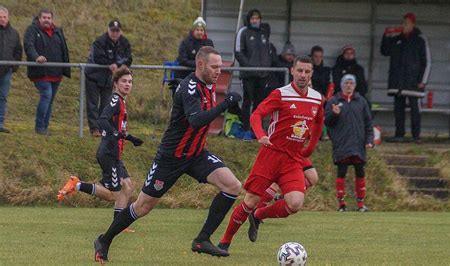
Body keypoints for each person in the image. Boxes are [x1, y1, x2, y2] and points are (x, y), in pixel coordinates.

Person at [93, 47, 242, 262]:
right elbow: (197, 120)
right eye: (215, 66)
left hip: (196, 154)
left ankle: (202, 239)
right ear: (201, 65)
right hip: (171, 158)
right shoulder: (191, 88)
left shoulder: (205, 85)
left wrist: (233, 107)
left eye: (221, 67)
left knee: (233, 186)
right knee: (143, 206)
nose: (219, 71)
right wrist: (226, 103)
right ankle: (104, 240)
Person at [218, 56, 324, 252]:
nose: (303, 75)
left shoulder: (317, 98)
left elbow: (318, 123)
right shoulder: (280, 94)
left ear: (311, 74)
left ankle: (258, 216)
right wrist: (260, 134)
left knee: (295, 203)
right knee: (250, 201)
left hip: (292, 158)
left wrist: (308, 150)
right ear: (292, 71)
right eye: (299, 70)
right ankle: (225, 242)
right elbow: (256, 114)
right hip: (271, 155)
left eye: (307, 72)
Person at [57, 66, 143, 230]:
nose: (127, 84)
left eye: (130, 82)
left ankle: (118, 225)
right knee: (113, 195)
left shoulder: (121, 101)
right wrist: (116, 134)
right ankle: (77, 185)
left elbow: (117, 128)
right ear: (116, 83)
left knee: (128, 186)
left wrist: (130, 138)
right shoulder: (114, 100)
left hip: (115, 153)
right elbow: (102, 120)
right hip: (109, 153)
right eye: (124, 81)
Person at [324, 74, 374, 212]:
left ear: (355, 85)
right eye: (346, 83)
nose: (349, 85)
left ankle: (360, 204)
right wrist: (334, 114)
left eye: (351, 83)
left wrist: (369, 140)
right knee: (341, 172)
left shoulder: (361, 101)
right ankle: (341, 204)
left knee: (360, 172)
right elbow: (327, 122)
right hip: (342, 143)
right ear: (341, 85)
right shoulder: (334, 101)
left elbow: (368, 123)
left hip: (358, 143)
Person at [381, 12, 431, 143]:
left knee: (415, 110)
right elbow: (384, 51)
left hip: (414, 82)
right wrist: (386, 35)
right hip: (398, 82)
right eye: (403, 23)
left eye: (407, 23)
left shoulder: (420, 39)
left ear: (413, 24)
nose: (404, 25)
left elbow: (427, 61)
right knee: (398, 109)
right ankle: (399, 134)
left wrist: (423, 80)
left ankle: (416, 136)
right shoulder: (398, 39)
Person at [23, 8, 70, 135]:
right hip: (41, 72)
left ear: (52, 19)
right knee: (46, 95)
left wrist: (65, 67)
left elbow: (64, 49)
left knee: (50, 100)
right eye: (44, 17)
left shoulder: (58, 31)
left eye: (49, 18)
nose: (46, 20)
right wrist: (36, 57)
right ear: (39, 18)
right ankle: (39, 126)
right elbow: (28, 45)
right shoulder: (32, 30)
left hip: (56, 73)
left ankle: (45, 126)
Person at [85, 20, 132, 137]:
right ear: (108, 30)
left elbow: (129, 58)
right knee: (92, 104)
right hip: (94, 77)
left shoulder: (124, 42)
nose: (115, 33)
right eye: (113, 30)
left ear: (120, 31)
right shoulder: (100, 41)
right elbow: (97, 57)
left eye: (117, 31)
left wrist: (117, 64)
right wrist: (110, 64)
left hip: (109, 79)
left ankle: (102, 128)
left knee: (106, 104)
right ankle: (94, 128)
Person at [235, 9, 272, 141]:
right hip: (248, 75)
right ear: (249, 19)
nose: (255, 20)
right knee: (247, 102)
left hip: (262, 75)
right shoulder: (243, 32)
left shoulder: (263, 32)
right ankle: (245, 130)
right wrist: (250, 67)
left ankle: (257, 131)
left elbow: (267, 51)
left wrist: (266, 68)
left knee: (259, 104)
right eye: (253, 18)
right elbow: (238, 52)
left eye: (257, 18)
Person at [0, 6, 22, 133]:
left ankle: (0, 123)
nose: (2, 19)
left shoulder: (14, 33)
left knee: (3, 97)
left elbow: (18, 50)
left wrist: (14, 66)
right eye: (0, 17)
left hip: (6, 71)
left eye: (4, 17)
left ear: (8, 18)